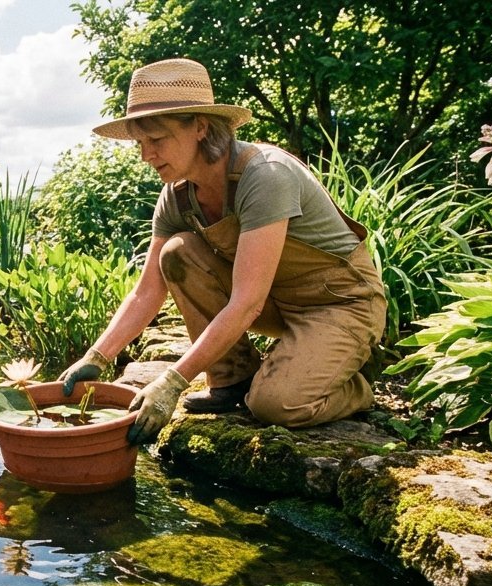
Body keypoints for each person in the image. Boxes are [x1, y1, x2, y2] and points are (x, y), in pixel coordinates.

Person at [59, 58, 386, 444]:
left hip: (340, 304)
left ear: (200, 126)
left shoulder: (266, 175)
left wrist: (173, 381)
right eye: (141, 144)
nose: (146, 155)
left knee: (275, 405)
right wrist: (97, 356)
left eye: (158, 140)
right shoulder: (177, 196)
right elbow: (148, 290)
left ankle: (357, 384)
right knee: (176, 253)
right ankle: (232, 377)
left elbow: (247, 302)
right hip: (277, 303)